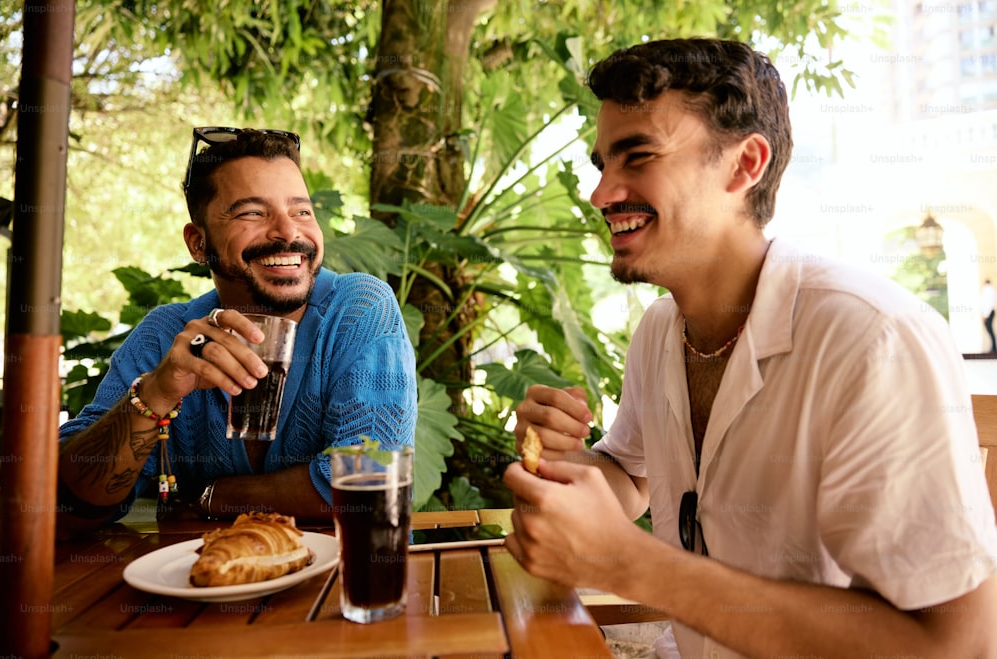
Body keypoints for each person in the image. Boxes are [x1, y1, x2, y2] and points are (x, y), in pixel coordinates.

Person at [504, 38, 997, 659]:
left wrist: (633, 565)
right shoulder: (660, 330)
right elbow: (633, 478)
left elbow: (960, 645)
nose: (602, 194)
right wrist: (566, 458)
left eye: (638, 156)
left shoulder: (873, 339)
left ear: (744, 165)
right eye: (603, 163)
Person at [57, 128, 417, 536]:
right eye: (252, 213)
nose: (288, 232)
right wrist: (156, 393)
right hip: (198, 585)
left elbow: (372, 479)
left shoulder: (357, 309)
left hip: (339, 588)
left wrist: (212, 497)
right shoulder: (165, 335)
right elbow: (64, 505)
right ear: (197, 243)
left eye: (301, 211)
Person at [981, 278, 996, 353]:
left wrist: (985, 315)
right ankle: (993, 347)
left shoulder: (987, 290)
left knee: (990, 330)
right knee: (990, 330)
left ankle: (994, 347)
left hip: (989, 313)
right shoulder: (991, 290)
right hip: (991, 312)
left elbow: (987, 303)